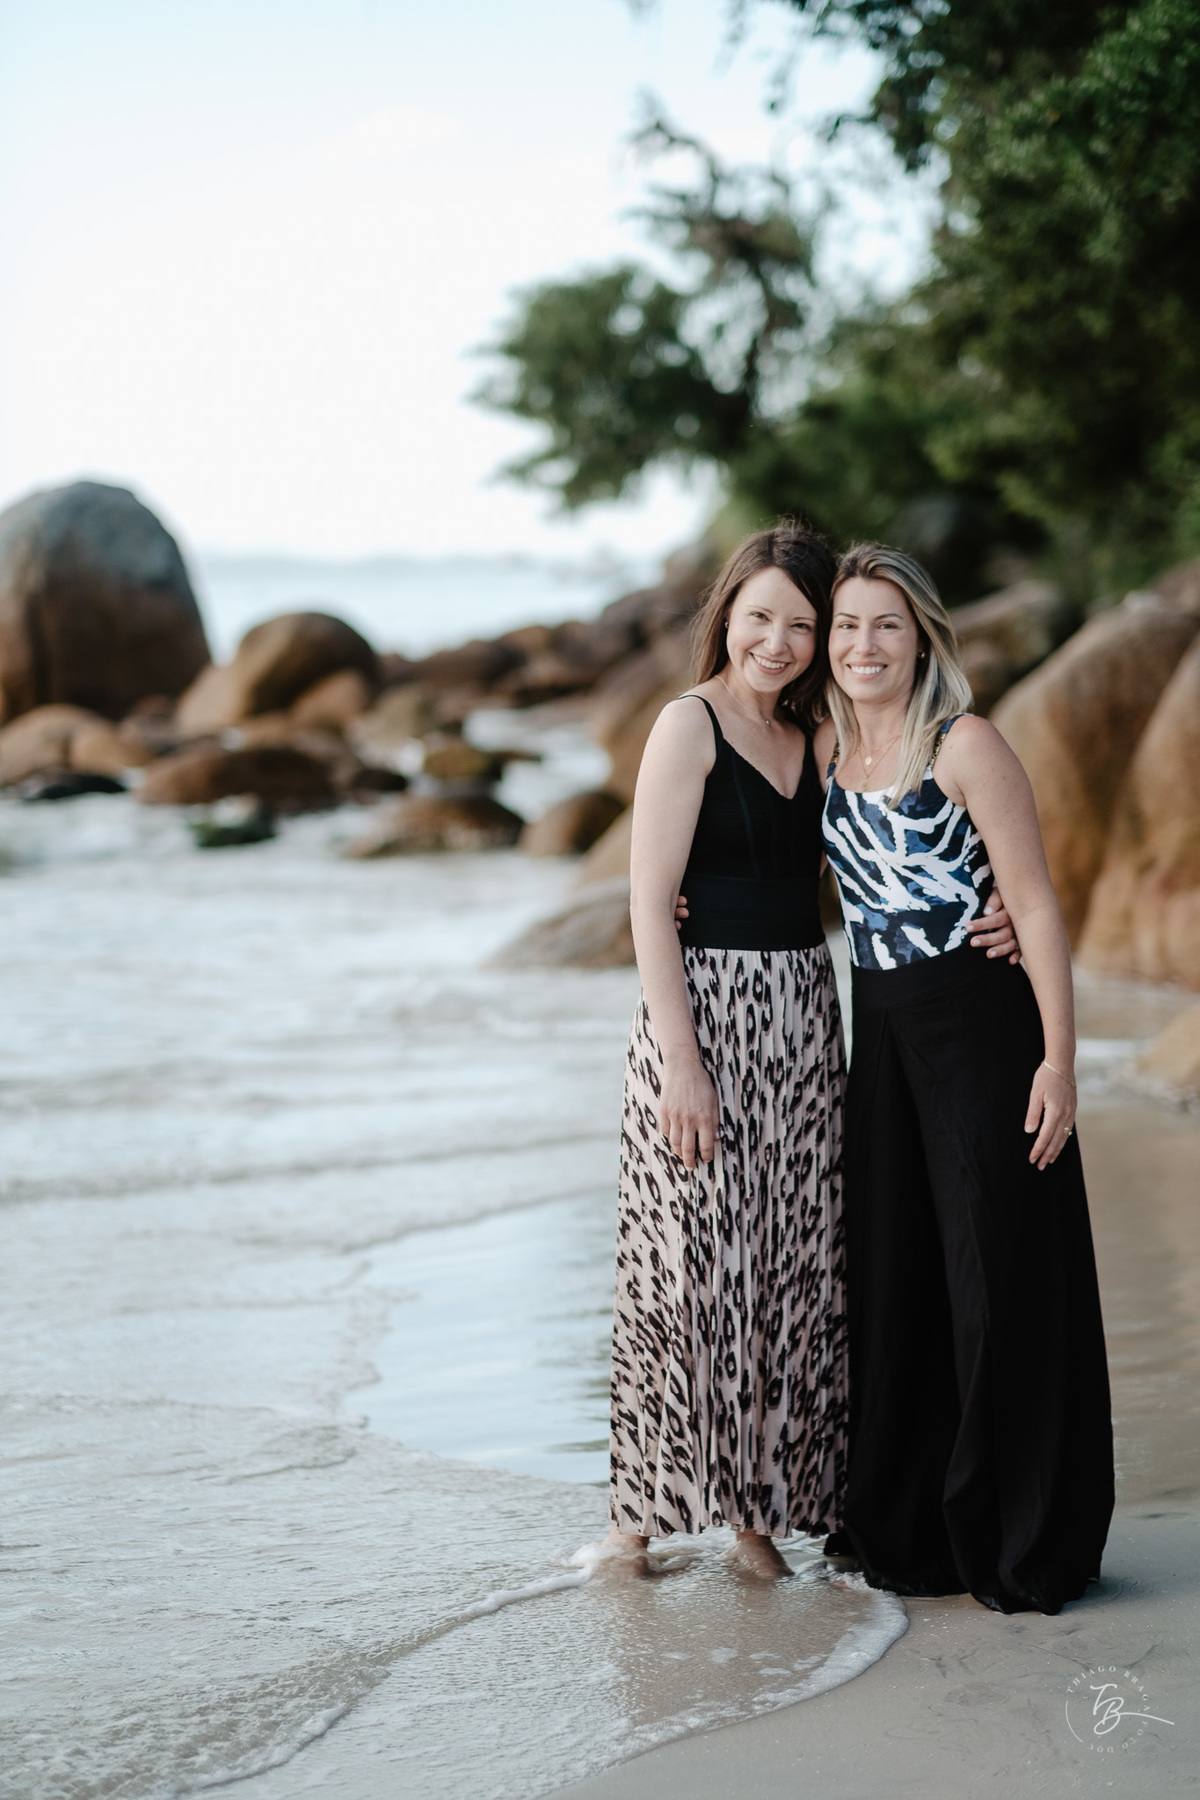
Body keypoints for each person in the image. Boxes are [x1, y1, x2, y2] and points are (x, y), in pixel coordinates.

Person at [606, 523, 1019, 1578]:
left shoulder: (819, 739)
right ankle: (637, 1522)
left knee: (792, 1264)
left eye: (801, 624)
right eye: (761, 619)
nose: (780, 643)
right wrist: (682, 1060)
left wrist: (1003, 909)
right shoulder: (685, 725)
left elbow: (910, 834)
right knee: (693, 1265)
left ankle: (758, 1519)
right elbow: (649, 904)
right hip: (700, 1018)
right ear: (727, 620)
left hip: (800, 1013)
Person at [816, 542, 1114, 1615]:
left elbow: (1032, 905)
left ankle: (1025, 1533)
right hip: (882, 1037)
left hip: (980, 1030)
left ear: (924, 636)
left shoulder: (965, 743)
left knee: (998, 1272)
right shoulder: (826, 752)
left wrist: (1060, 1060)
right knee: (899, 1280)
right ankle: (915, 1530)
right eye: (847, 625)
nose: (865, 645)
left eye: (886, 625)